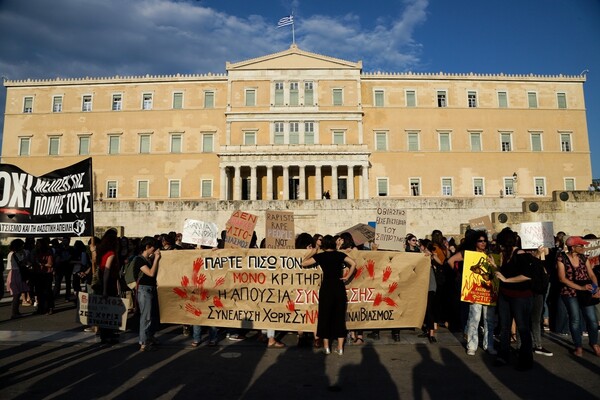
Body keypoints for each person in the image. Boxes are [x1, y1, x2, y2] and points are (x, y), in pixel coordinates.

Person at [302, 235, 356, 355]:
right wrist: (347, 276)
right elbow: (353, 263)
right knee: (339, 318)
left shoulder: (321, 256)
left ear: (324, 245)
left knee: (324, 317)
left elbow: (304, 263)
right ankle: (340, 348)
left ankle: (327, 348)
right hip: (339, 287)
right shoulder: (340, 255)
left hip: (326, 288)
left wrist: (313, 251)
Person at [448, 231, 497, 356]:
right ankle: (472, 345)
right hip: (474, 291)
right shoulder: (468, 254)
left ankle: (489, 345)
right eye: (480, 241)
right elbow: (451, 260)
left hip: (488, 291)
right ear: (475, 242)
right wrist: (459, 275)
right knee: (474, 319)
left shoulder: (490, 254)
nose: (483, 243)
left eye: (484, 241)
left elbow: (496, 271)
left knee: (489, 320)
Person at [494, 227, 535, 370]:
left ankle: (526, 359)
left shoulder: (520, 254)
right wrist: (495, 267)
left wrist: (506, 280)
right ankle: (503, 355)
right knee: (504, 327)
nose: (499, 247)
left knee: (523, 327)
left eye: (500, 244)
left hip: (521, 296)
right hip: (505, 295)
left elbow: (527, 275)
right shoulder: (505, 255)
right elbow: (503, 274)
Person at [556, 236, 600, 357]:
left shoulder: (584, 258)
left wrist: (596, 288)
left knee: (592, 320)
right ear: (573, 247)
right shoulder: (562, 258)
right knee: (575, 319)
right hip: (570, 292)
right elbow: (562, 278)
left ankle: (594, 343)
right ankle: (578, 346)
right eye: (581, 246)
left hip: (586, 291)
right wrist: (581, 287)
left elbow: (591, 275)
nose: (583, 247)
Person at [136, 236, 162, 352]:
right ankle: (143, 342)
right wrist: (156, 259)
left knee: (152, 316)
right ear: (147, 247)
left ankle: (149, 337)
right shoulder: (139, 260)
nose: (154, 250)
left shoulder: (148, 259)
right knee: (146, 317)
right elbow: (151, 273)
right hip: (144, 290)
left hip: (151, 289)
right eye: (153, 248)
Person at [95, 229, 120, 344]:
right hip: (108, 284)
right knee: (109, 311)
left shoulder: (102, 252)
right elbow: (106, 272)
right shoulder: (111, 254)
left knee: (106, 310)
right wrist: (105, 289)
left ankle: (106, 334)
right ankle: (107, 334)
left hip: (105, 283)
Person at [6, 239, 30, 319]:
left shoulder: (14, 254)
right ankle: (14, 313)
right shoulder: (16, 254)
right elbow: (23, 262)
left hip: (15, 273)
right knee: (17, 294)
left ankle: (16, 311)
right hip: (17, 274)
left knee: (17, 294)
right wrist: (26, 256)